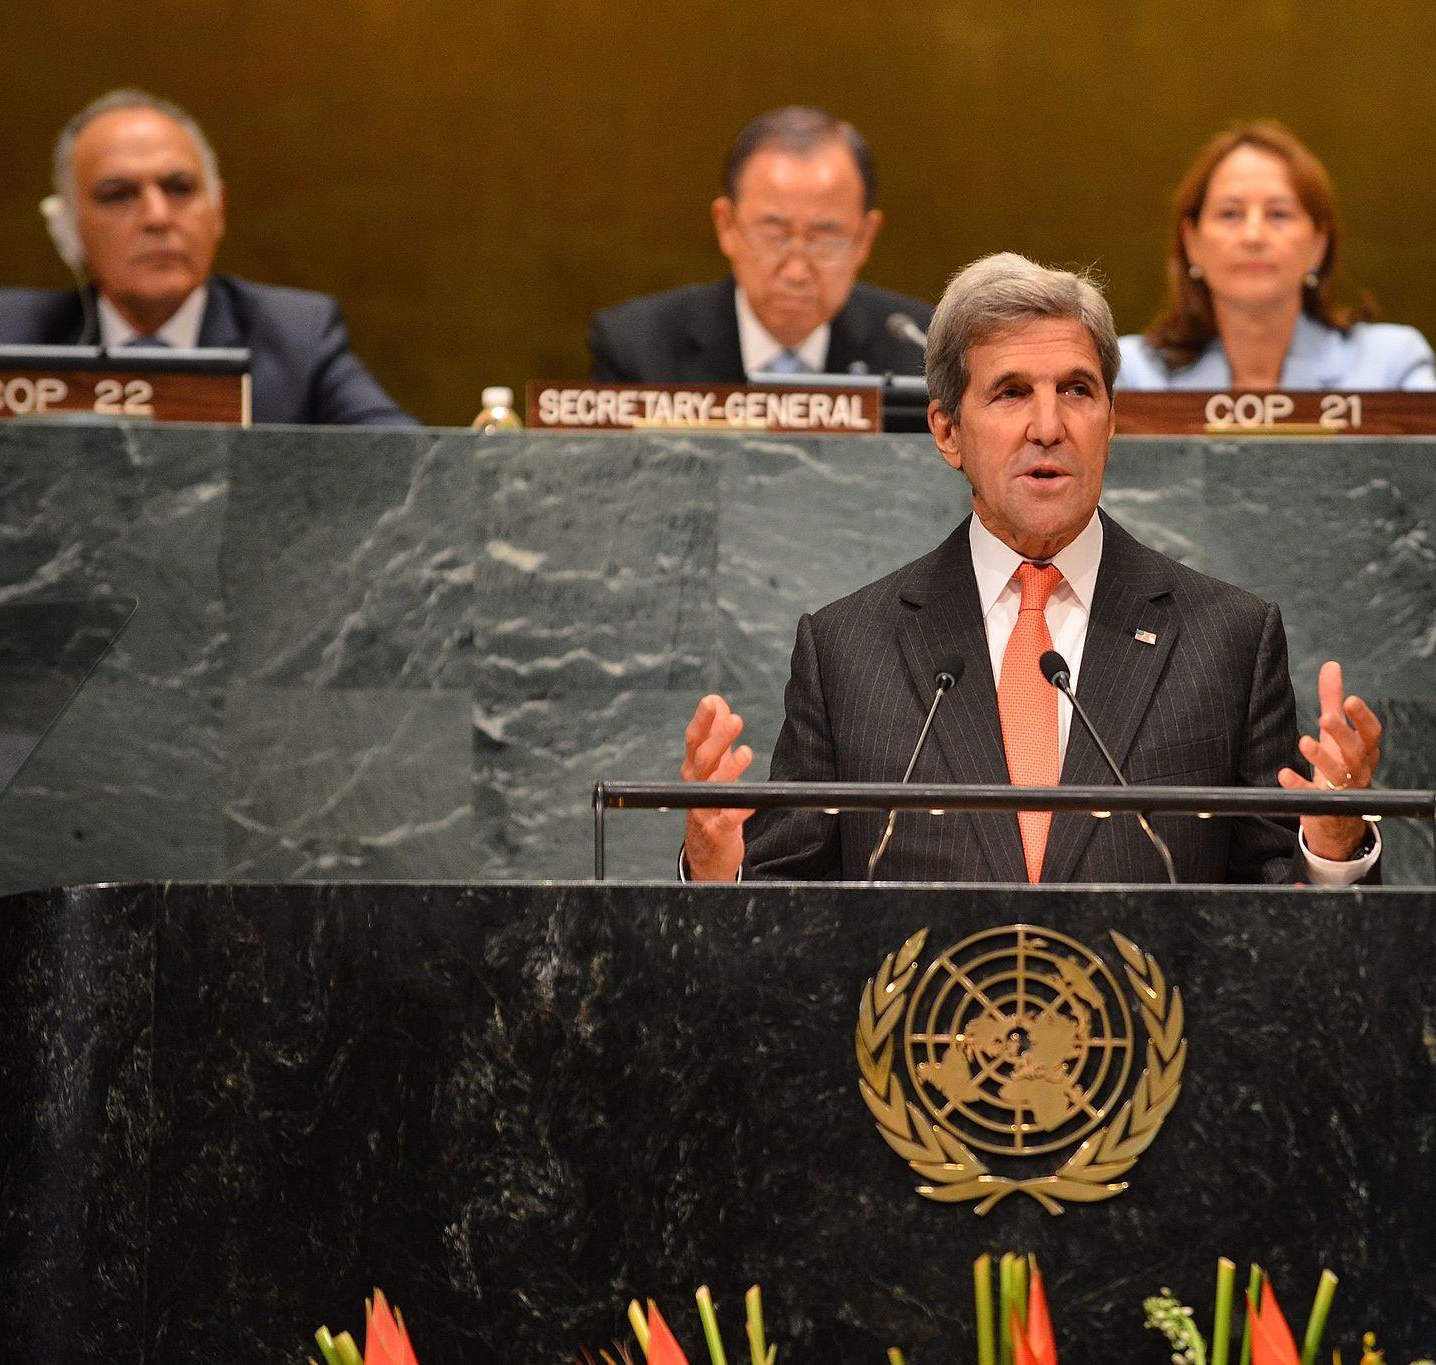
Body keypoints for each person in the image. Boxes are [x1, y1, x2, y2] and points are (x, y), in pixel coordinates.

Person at [677, 252, 1386, 886]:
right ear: (948, 431)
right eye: (1011, 392)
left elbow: (1281, 931)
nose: (1049, 425)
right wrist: (718, 868)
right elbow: (780, 913)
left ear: (1110, 421)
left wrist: (1329, 849)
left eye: (1077, 390)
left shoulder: (1226, 639)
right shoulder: (847, 651)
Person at [0, 89, 415, 427]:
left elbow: (404, 463)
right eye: (118, 195)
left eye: (179, 188)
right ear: (69, 228)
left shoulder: (296, 335)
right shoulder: (7, 336)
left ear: (218, 210)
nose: (157, 216)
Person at [1117, 119, 1436, 425]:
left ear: (1319, 244)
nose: (1253, 235)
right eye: (1230, 214)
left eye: (1279, 214)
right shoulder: (1132, 375)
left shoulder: (1389, 366)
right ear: (1191, 242)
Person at [587, 107, 932, 384]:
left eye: (826, 238)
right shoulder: (639, 349)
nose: (797, 271)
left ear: (864, 238)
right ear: (727, 226)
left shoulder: (921, 352)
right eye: (774, 235)